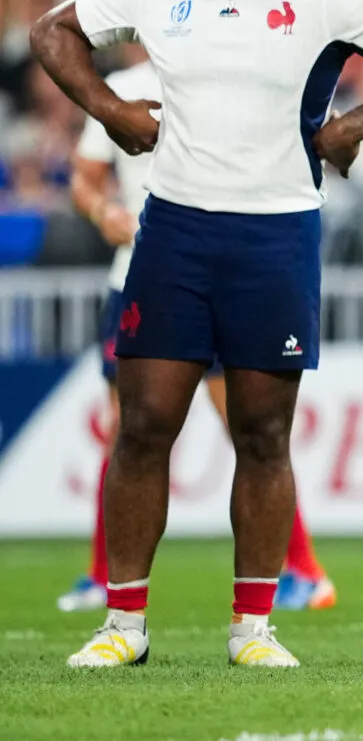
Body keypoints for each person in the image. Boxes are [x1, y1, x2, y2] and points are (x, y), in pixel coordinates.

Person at [30, 0, 363, 668]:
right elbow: (51, 32)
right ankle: (124, 624)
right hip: (175, 231)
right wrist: (111, 109)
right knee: (143, 428)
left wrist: (351, 128)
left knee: (264, 435)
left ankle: (253, 628)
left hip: (276, 235)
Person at [58, 45, 336, 616]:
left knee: (252, 429)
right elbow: (84, 178)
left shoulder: (233, 75)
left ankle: (304, 570)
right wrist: (102, 211)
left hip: (213, 275)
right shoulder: (121, 87)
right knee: (127, 431)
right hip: (135, 276)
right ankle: (101, 575)